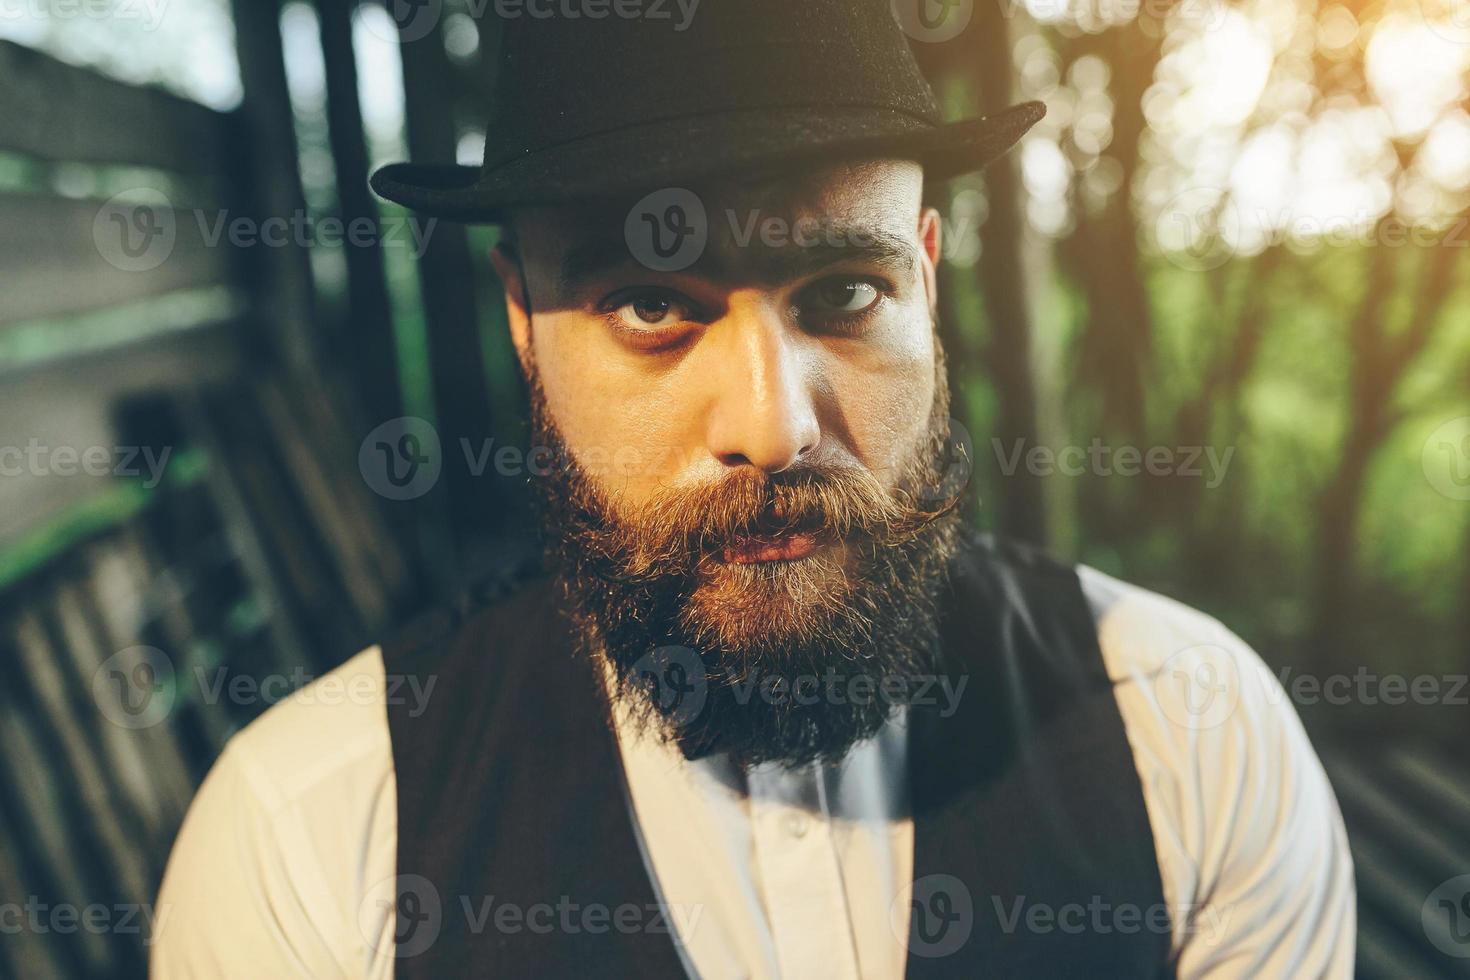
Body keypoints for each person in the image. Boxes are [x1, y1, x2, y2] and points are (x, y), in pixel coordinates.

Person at [154, 0, 1354, 976]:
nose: (774, 427)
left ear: (925, 285)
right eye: (652, 305)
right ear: (525, 320)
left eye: (842, 293)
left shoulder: (1195, 738)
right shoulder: (311, 840)